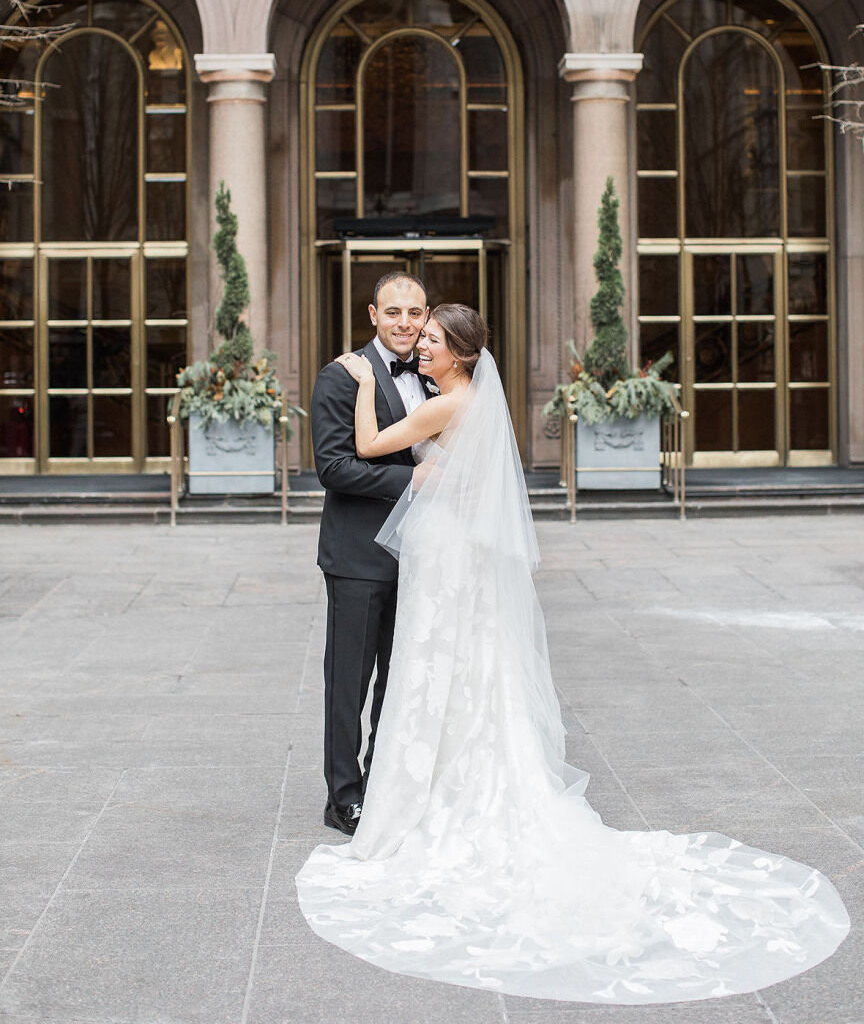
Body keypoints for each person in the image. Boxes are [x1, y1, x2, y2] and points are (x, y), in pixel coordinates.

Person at [296, 303, 850, 1004]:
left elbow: (370, 443)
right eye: (419, 336)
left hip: (444, 561)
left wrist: (365, 382)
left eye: (431, 339)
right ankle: (437, 777)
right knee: (460, 671)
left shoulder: (447, 404)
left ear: (460, 355)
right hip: (454, 560)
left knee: (435, 669)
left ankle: (426, 789)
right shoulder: (468, 401)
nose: (421, 347)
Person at [309, 271, 434, 836]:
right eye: (394, 312)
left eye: (415, 313)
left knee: (401, 677)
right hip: (359, 557)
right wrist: (415, 481)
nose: (405, 324)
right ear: (373, 314)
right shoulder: (341, 377)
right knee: (349, 681)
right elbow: (333, 467)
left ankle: (382, 782)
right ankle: (344, 797)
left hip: (425, 554)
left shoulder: (437, 374)